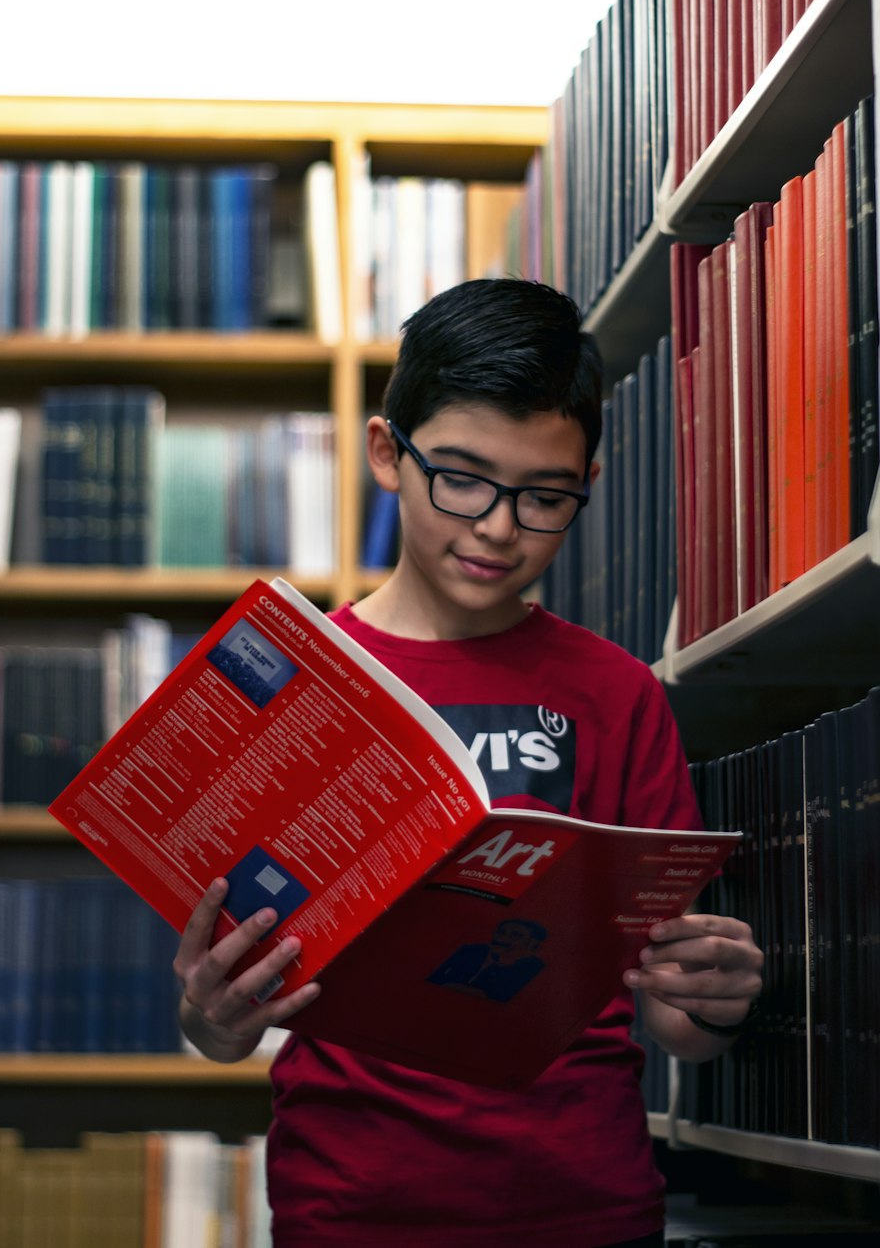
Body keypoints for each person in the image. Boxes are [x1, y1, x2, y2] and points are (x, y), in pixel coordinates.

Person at [174, 278, 764, 1248]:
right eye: (461, 478)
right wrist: (212, 1017)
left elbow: (676, 1023)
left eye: (543, 496)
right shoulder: (296, 689)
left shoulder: (616, 695)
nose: (496, 526)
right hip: (350, 1206)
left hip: (582, 1204)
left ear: (587, 486)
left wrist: (713, 1001)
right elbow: (216, 1023)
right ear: (385, 455)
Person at [427, 917, 548, 1002]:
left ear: (532, 944)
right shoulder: (471, 950)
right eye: (500, 932)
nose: (502, 938)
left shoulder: (533, 967)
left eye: (515, 935)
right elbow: (435, 977)